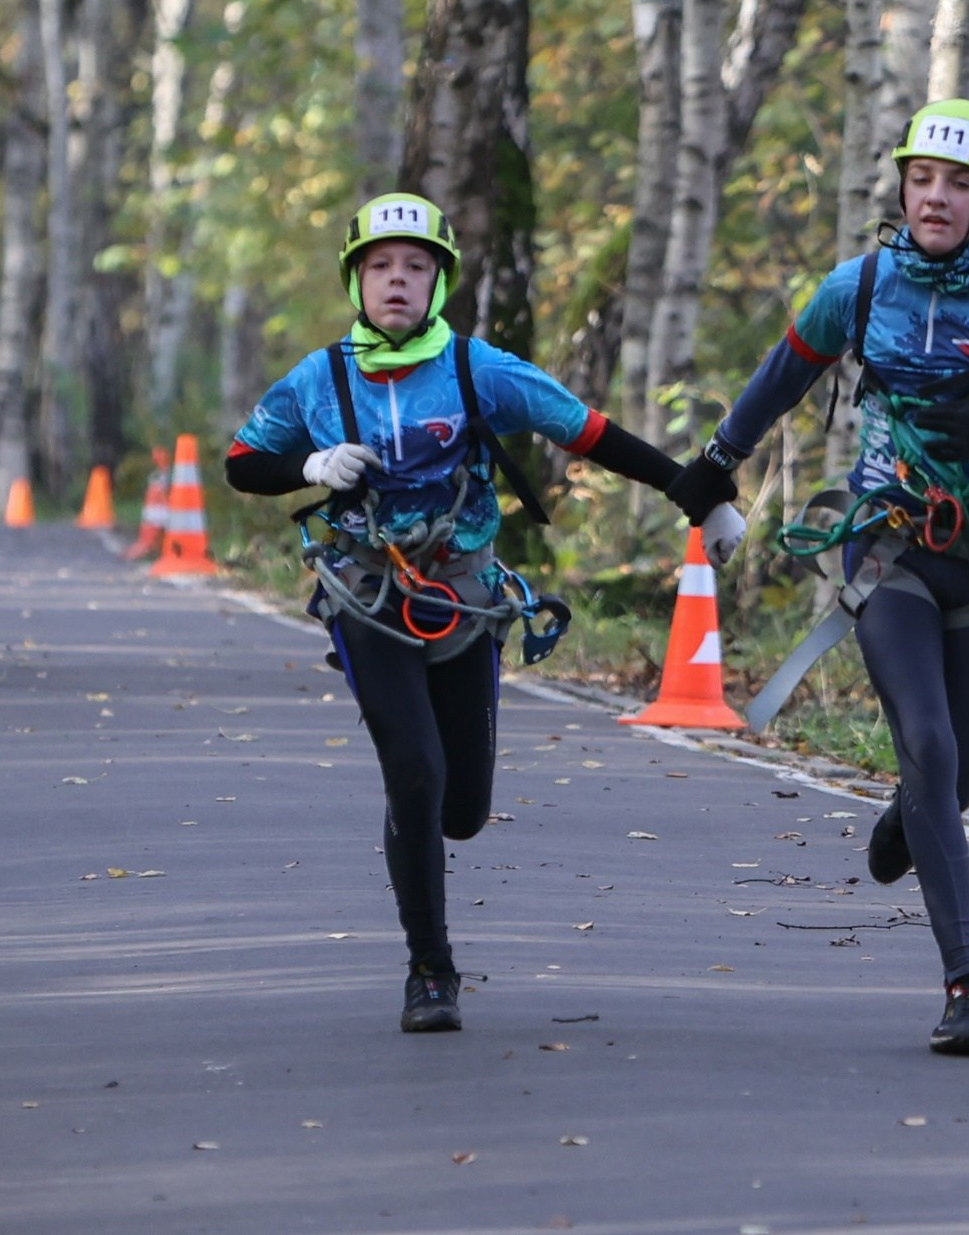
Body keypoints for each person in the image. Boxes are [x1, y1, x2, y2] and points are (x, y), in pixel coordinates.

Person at [226, 195, 740, 1035]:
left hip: (464, 598)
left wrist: (696, 493)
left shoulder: (477, 369)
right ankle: (430, 969)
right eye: (381, 266)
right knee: (416, 772)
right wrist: (310, 461)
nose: (398, 280)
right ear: (356, 281)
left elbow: (590, 431)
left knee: (461, 807)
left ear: (440, 282)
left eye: (416, 266)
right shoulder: (317, 379)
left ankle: (421, 820)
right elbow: (244, 463)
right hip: (365, 596)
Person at [664, 100, 969, 1056]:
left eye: (959, 185)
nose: (937, 197)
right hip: (888, 551)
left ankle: (913, 817)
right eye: (923, 180)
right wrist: (720, 455)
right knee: (927, 743)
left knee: (953, 779)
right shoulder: (859, 286)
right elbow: (784, 373)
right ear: (902, 186)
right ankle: (968, 983)